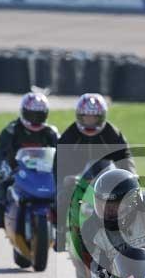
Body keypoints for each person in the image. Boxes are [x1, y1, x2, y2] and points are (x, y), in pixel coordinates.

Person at [55, 93, 136, 250]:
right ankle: (60, 233)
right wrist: (64, 178)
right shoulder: (69, 135)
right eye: (86, 117)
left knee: (131, 197)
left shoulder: (112, 132)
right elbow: (60, 161)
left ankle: (134, 232)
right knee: (62, 196)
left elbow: (125, 157)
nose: (90, 121)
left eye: (94, 118)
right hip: (77, 177)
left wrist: (131, 176)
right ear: (79, 116)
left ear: (102, 117)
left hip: (106, 176)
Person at [0, 92, 59, 228]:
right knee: (1, 188)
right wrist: (3, 166)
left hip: (43, 171)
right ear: (23, 112)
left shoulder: (51, 132)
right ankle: (1, 215)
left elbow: (63, 153)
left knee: (62, 191)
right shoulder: (11, 130)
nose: (35, 119)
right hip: (16, 170)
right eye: (31, 115)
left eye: (39, 115)